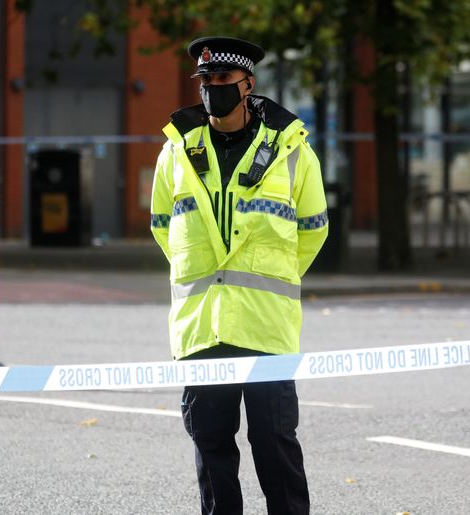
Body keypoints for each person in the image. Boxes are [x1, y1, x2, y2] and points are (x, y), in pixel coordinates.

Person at [150, 36, 328, 515]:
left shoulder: (292, 152)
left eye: (223, 79)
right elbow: (163, 227)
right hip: (202, 327)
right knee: (211, 448)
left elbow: (313, 230)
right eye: (205, 80)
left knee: (274, 445)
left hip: (265, 326)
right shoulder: (177, 153)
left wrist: (270, 278)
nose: (211, 88)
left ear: (248, 84)